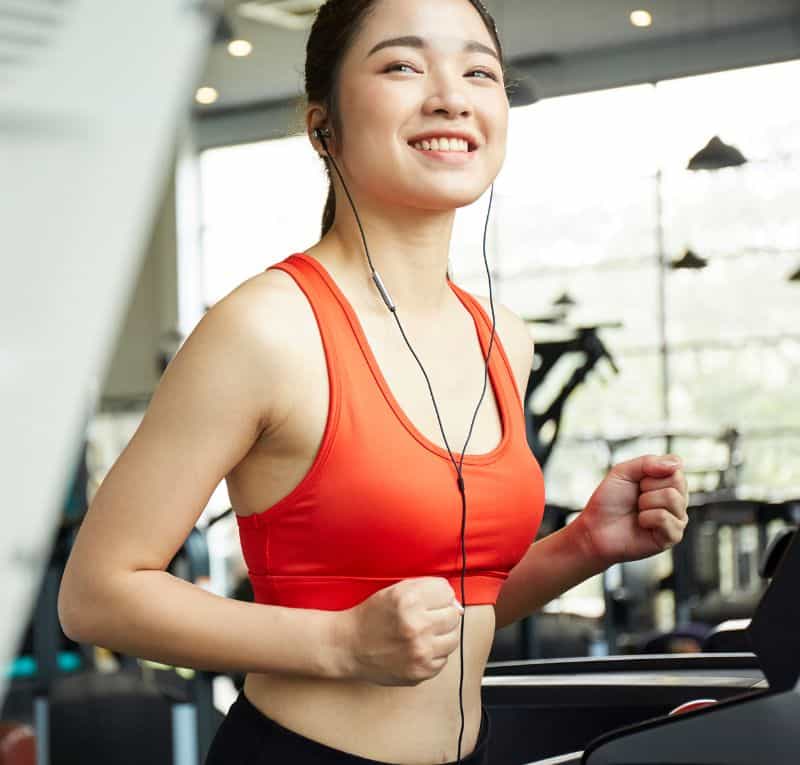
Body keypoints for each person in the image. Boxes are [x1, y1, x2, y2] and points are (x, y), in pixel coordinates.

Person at [58, 0, 691, 763]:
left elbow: (448, 613)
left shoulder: (502, 337)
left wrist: (584, 545)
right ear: (322, 124)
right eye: (402, 64)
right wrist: (338, 643)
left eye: (479, 71)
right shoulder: (266, 327)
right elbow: (96, 595)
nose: (451, 95)